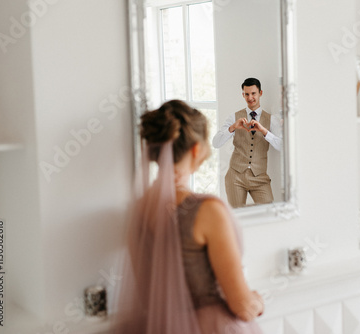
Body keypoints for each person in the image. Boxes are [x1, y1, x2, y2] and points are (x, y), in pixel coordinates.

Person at [112, 100, 264, 334]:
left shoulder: (139, 211)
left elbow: (146, 296)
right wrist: (257, 302)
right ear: (196, 149)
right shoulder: (207, 211)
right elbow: (242, 307)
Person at [213, 78, 282, 208]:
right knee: (237, 217)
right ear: (243, 95)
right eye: (247, 94)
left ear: (260, 93)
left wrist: (264, 131)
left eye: (253, 93)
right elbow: (216, 143)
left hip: (260, 178)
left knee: (268, 213)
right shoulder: (234, 117)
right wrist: (232, 127)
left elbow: (282, 147)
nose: (250, 97)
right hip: (235, 177)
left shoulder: (271, 120)